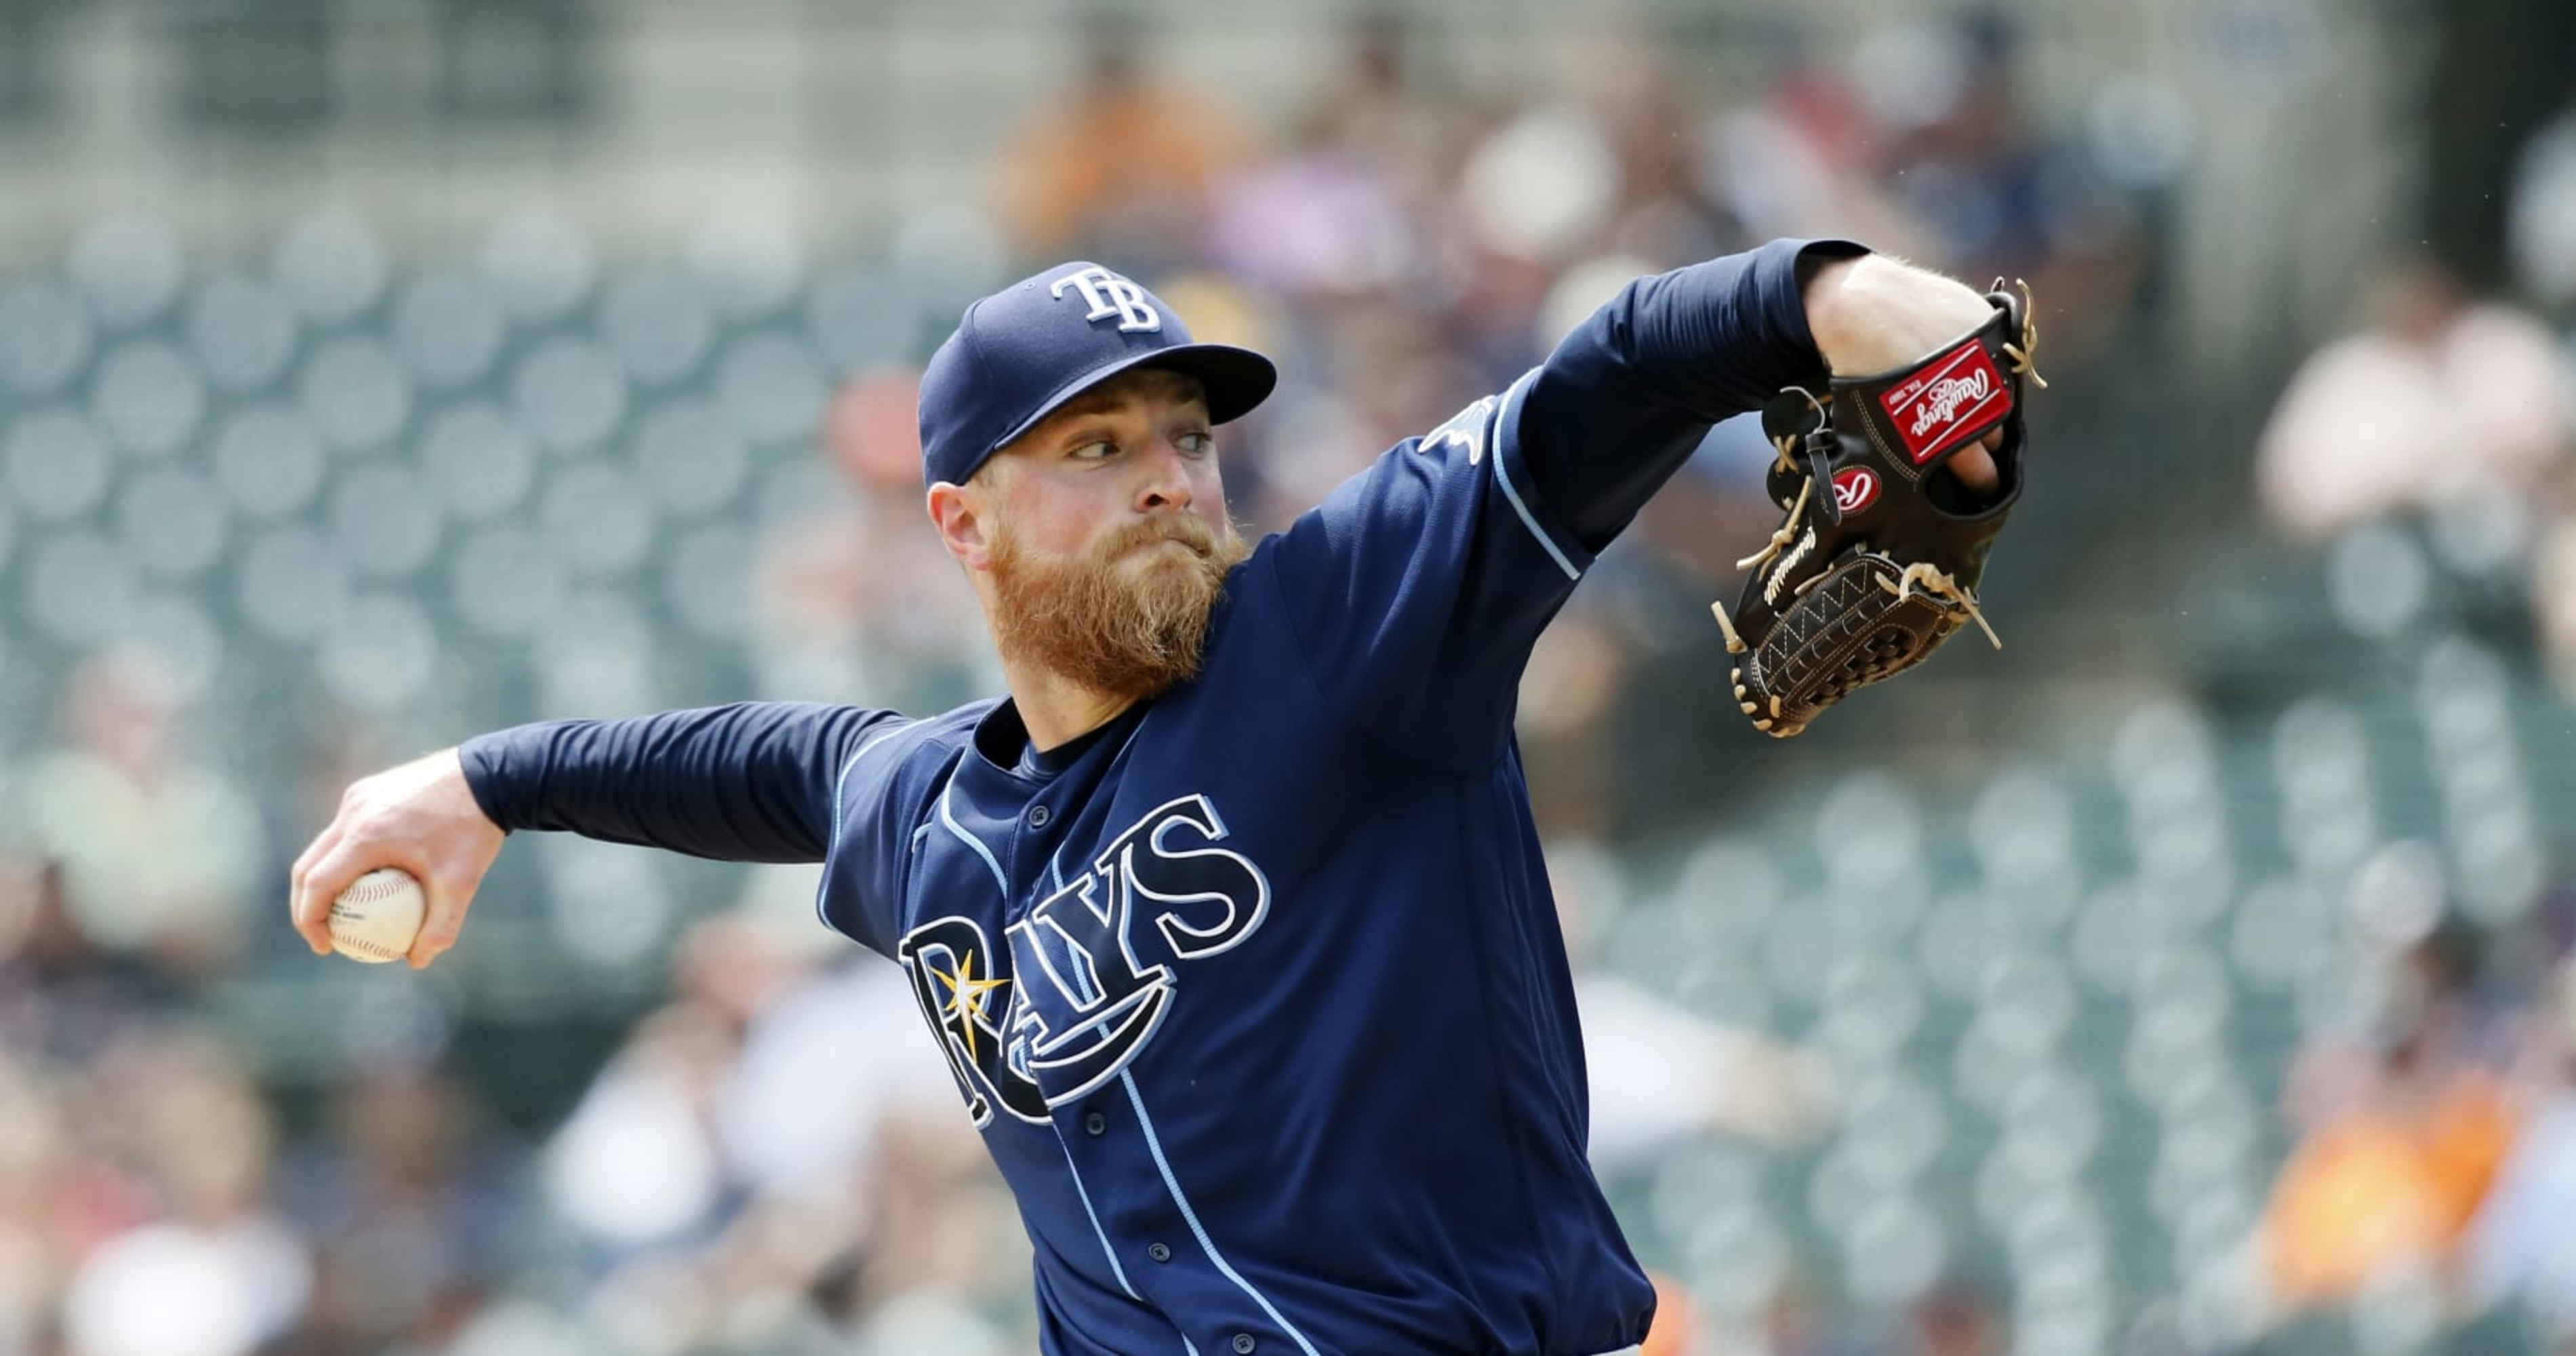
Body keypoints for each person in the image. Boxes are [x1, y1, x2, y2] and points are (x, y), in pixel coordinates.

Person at [289, 241, 2011, 1356]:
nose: (1170, 482)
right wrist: (478, 783)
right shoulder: (930, 813)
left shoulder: (1342, 634)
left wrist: (1842, 306)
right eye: (1094, 450)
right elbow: (760, 766)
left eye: (1184, 436)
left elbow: (1618, 369)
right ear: (961, 524)